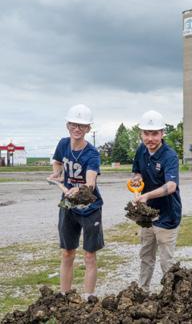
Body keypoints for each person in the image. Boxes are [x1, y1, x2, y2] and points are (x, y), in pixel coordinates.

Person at [48, 104, 103, 299]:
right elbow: (57, 161)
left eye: (81, 125)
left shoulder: (92, 154)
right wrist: (57, 173)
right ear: (67, 125)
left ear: (88, 128)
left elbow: (90, 183)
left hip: (90, 207)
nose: (77, 128)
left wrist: (78, 190)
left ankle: (88, 297)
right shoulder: (63, 144)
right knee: (67, 252)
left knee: (89, 255)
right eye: (73, 124)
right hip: (68, 205)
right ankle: (65, 296)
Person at [129, 110, 181, 289]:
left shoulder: (170, 156)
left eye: (154, 134)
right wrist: (137, 179)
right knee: (146, 256)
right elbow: (137, 171)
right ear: (141, 134)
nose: (150, 138)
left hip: (167, 214)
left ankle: (172, 296)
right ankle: (143, 291)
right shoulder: (141, 150)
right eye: (146, 133)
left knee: (166, 261)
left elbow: (171, 186)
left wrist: (146, 196)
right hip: (147, 215)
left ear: (162, 133)